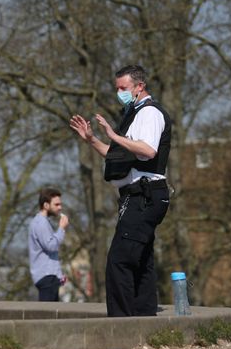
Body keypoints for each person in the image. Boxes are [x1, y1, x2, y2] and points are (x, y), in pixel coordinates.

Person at [69, 64, 172, 317]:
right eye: (117, 88)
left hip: (145, 196)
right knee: (141, 260)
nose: (119, 93)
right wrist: (92, 139)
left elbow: (148, 151)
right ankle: (144, 317)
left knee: (119, 260)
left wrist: (114, 135)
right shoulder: (133, 115)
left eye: (123, 88)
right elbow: (116, 157)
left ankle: (121, 323)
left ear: (139, 86)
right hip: (135, 196)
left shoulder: (149, 113)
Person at [28, 188, 69, 301]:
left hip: (50, 277)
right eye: (56, 204)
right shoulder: (40, 223)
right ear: (46, 205)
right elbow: (51, 246)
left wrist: (59, 275)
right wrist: (61, 228)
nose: (60, 207)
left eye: (60, 204)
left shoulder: (43, 222)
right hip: (46, 277)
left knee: (53, 315)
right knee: (48, 316)